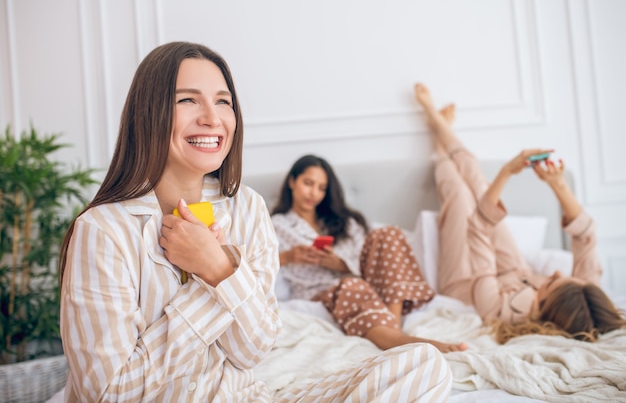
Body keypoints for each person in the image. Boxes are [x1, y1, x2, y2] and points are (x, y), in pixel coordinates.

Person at [57, 41, 453, 403]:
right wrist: (209, 278)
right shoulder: (103, 230)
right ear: (149, 112)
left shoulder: (247, 207)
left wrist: (220, 268)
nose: (213, 118)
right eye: (188, 101)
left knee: (423, 364)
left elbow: (253, 349)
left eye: (223, 102)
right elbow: (108, 393)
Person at [413, 82, 626, 343]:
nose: (557, 273)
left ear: (546, 307)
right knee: (480, 188)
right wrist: (558, 185)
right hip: (513, 268)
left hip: (466, 281)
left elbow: (477, 230)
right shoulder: (582, 301)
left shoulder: (504, 314)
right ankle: (440, 125)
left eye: (550, 284)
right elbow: (585, 237)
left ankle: (437, 137)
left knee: (460, 195)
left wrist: (506, 173)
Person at [271, 154, 468, 353]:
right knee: (351, 285)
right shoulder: (276, 225)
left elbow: (366, 259)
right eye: (308, 183)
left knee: (388, 234)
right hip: (322, 292)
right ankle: (399, 339)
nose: (313, 193)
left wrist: (339, 264)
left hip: (368, 285)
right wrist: (288, 257)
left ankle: (392, 327)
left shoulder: (344, 222)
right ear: (292, 181)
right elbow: (256, 262)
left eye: (321, 188)